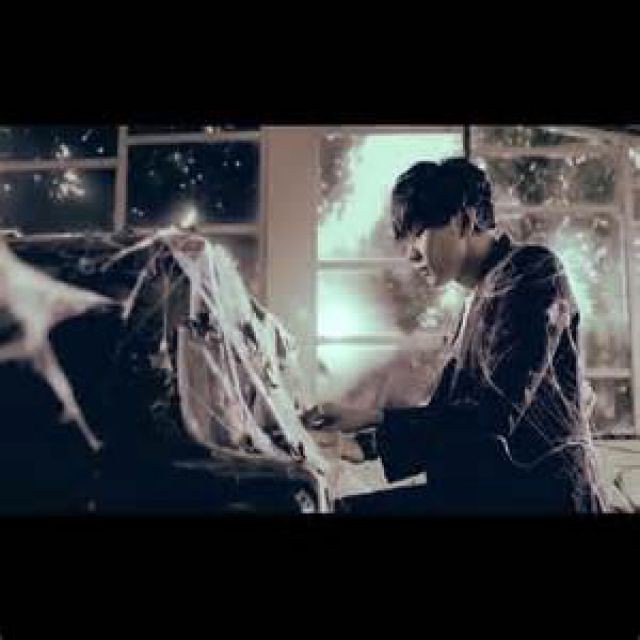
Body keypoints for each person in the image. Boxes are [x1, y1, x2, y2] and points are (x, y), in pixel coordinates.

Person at [311, 158, 605, 514]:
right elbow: (449, 416)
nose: (411, 255)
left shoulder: (532, 271)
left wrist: (370, 435)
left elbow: (492, 415)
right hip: (491, 494)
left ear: (464, 221)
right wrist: (364, 427)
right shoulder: (474, 302)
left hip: (535, 499)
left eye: (419, 233)